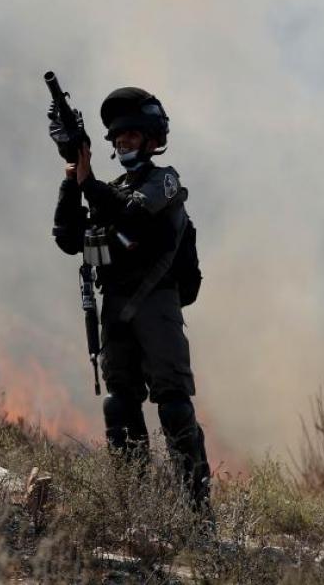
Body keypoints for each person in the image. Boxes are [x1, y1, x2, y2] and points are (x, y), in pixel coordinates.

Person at [51, 86, 211, 508]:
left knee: (173, 402)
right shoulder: (109, 189)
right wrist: (72, 175)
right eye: (117, 140)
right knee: (119, 403)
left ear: (153, 139)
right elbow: (69, 239)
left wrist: (89, 183)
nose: (124, 145)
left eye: (132, 138)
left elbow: (132, 216)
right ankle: (135, 506)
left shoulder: (165, 182)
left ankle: (197, 514)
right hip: (116, 307)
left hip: (156, 303)